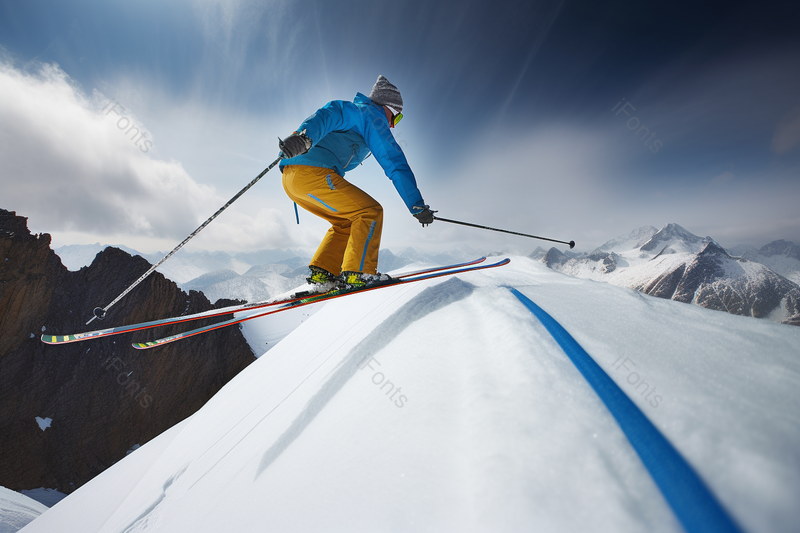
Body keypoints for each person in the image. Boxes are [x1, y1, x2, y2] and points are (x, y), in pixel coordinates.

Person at [278, 75, 435, 290]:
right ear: (386, 108)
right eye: (396, 118)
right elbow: (394, 161)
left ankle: (324, 273)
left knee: (347, 221)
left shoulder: (360, 115)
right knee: (369, 212)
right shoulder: (370, 115)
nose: (393, 125)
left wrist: (304, 138)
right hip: (311, 173)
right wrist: (416, 205)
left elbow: (329, 116)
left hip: (292, 179)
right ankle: (359, 273)